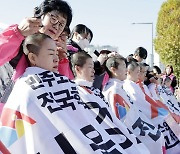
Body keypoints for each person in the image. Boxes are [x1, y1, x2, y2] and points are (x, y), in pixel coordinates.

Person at [71, 52, 150, 154]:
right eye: (90, 67)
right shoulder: (76, 92)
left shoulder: (94, 90)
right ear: (78, 69)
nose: (94, 70)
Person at [0, 0, 72, 102]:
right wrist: (18, 33)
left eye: (61, 25)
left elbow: (61, 90)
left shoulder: (56, 53)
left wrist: (62, 60)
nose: (56, 26)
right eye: (53, 18)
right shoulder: (19, 36)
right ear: (41, 15)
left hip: (27, 113)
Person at [102, 56, 165, 154]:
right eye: (123, 66)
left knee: (158, 137)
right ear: (113, 69)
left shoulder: (119, 87)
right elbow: (122, 120)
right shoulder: (114, 90)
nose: (126, 70)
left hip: (136, 125)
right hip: (130, 133)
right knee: (156, 141)